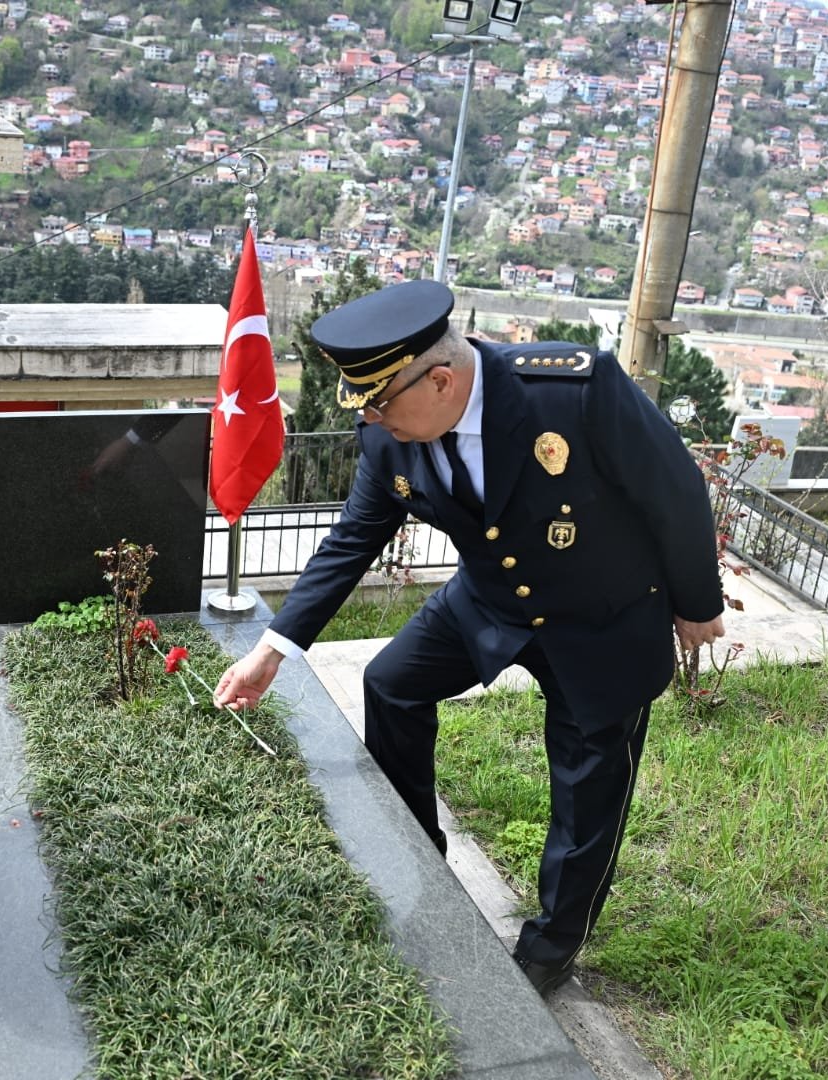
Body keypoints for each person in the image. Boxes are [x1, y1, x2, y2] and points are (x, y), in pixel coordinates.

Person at [212, 280, 725, 998]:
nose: (374, 422)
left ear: (442, 380)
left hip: (600, 618)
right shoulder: (388, 436)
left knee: (586, 789)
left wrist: (698, 603)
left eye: (381, 403)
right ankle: (419, 854)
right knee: (391, 683)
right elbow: (354, 538)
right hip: (488, 603)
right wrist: (273, 649)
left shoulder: (574, 393)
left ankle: (553, 945)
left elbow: (675, 491)